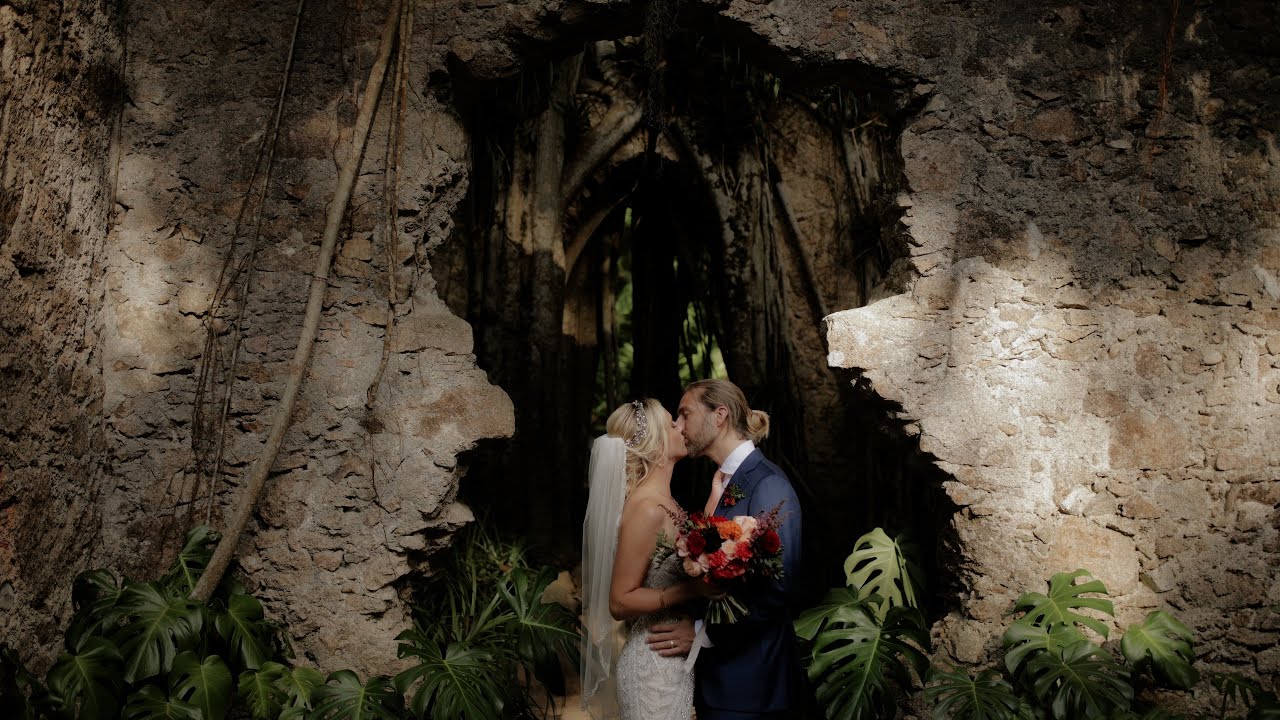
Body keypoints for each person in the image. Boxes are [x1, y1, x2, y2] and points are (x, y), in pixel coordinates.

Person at [647, 379, 804, 719]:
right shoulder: (726, 483)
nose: (677, 425)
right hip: (723, 680)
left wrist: (703, 633)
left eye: (685, 414)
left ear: (719, 416)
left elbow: (778, 589)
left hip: (752, 686)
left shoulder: (767, 483)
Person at [580, 398, 715, 720]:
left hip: (671, 656)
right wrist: (693, 591)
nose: (681, 427)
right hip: (653, 661)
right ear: (655, 443)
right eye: (672, 423)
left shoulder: (665, 501)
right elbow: (619, 601)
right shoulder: (646, 508)